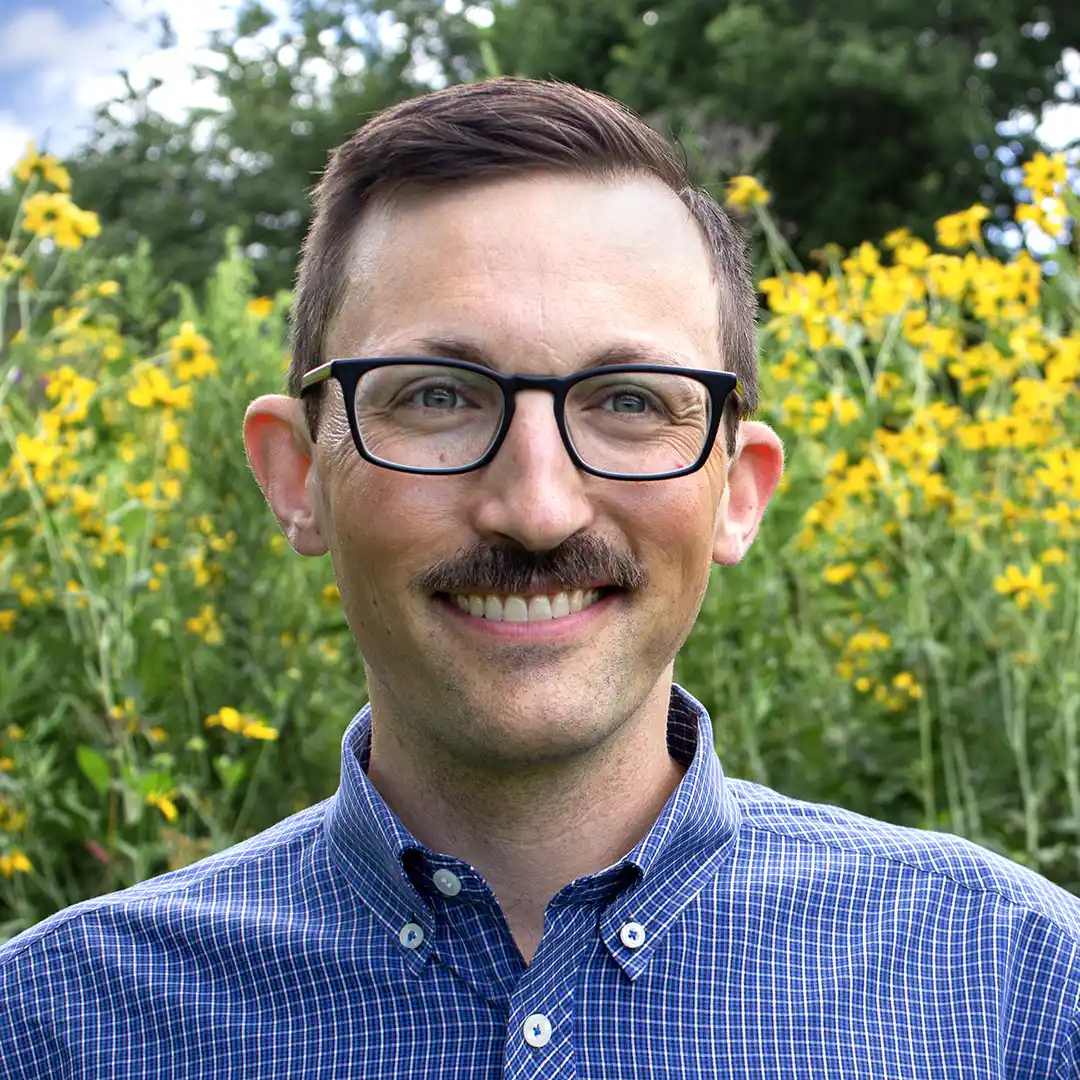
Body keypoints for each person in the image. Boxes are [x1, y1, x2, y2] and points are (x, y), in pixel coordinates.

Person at [1, 76, 1077, 1079]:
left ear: (739, 491)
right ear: (295, 477)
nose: (538, 506)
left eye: (631, 400)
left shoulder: (1016, 995)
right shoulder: (60, 1027)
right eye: (435, 396)